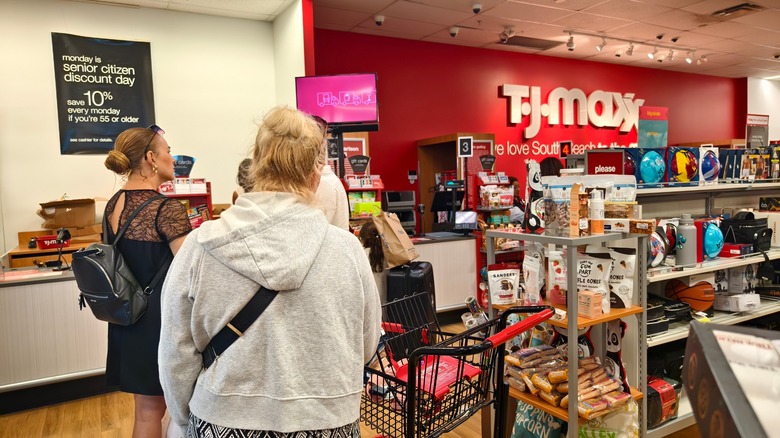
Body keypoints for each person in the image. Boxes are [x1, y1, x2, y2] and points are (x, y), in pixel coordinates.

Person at [158, 106, 382, 437]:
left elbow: (175, 354)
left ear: (257, 168)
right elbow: (367, 346)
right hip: (327, 421)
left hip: (223, 420)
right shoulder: (347, 250)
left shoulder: (201, 245)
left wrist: (183, 418)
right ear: (314, 178)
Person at [102, 124, 192, 438]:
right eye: (167, 150)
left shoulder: (113, 204)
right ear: (152, 158)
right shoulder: (166, 209)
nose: (172, 157)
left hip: (127, 314)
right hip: (160, 319)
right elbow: (189, 270)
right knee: (165, 409)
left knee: (146, 411)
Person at [359, 220, 387, 304]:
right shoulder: (387, 254)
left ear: (363, 239)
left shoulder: (363, 255)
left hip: (371, 301)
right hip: (388, 301)